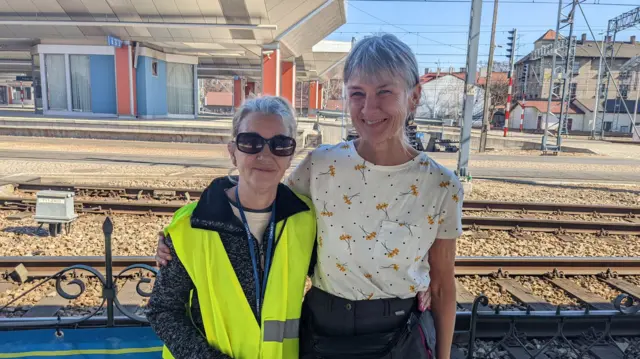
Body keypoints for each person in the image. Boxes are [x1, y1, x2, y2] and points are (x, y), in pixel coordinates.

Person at [157, 34, 461, 359]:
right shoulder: (323, 164)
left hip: (402, 336)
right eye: (357, 93)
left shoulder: (442, 185)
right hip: (325, 333)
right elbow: (262, 201)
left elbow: (442, 283)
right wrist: (177, 233)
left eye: (384, 92)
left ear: (414, 96)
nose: (369, 107)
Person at [147, 96, 317, 359]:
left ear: (291, 154)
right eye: (251, 143)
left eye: (280, 144)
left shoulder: (305, 221)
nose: (265, 154)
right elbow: (162, 310)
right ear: (233, 152)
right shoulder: (191, 227)